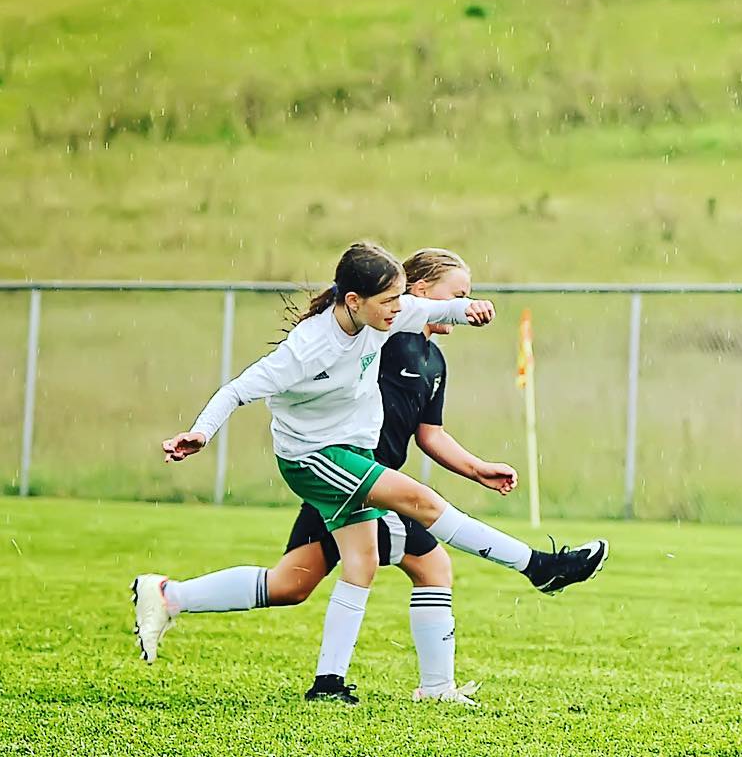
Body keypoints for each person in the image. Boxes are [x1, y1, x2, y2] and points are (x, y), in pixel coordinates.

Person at [135, 241, 608, 704]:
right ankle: (538, 567)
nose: (398, 310)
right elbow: (236, 390)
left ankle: (189, 607)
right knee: (423, 509)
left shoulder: (390, 322)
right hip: (316, 458)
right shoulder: (309, 348)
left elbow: (426, 322)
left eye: (401, 299)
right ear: (355, 301)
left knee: (325, 576)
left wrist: (468, 310)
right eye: (391, 300)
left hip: (348, 457)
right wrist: (200, 433)